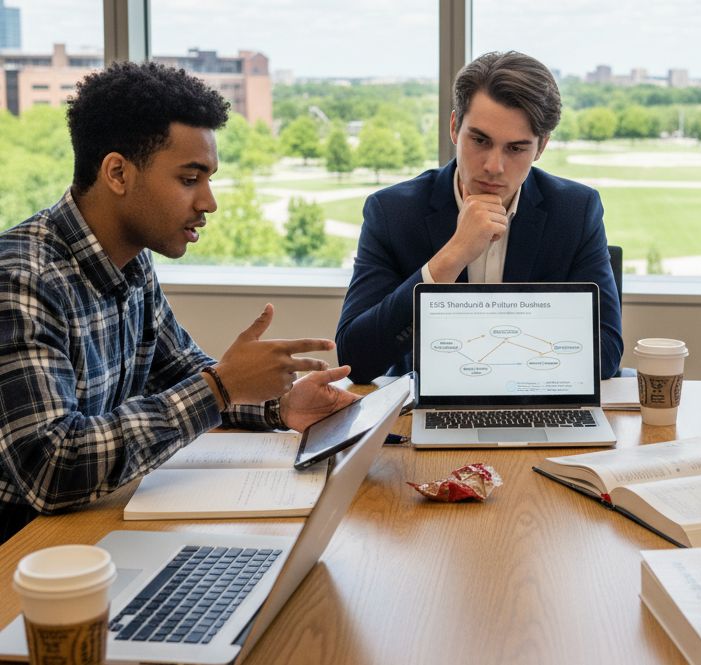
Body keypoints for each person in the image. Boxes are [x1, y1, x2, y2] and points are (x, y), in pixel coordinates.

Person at [0, 62, 358, 543]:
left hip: (86, 526)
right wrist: (221, 387)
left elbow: (185, 374)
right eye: (190, 179)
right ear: (118, 173)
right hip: (24, 550)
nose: (208, 202)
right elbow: (51, 467)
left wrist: (281, 407)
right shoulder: (21, 280)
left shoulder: (132, 260)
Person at [335, 51, 623, 383]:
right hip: (423, 414)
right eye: (480, 140)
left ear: (541, 147)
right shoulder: (392, 213)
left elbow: (606, 354)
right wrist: (451, 257)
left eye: (515, 148)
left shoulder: (574, 211)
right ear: (455, 127)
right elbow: (355, 360)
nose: (493, 166)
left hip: (535, 402)